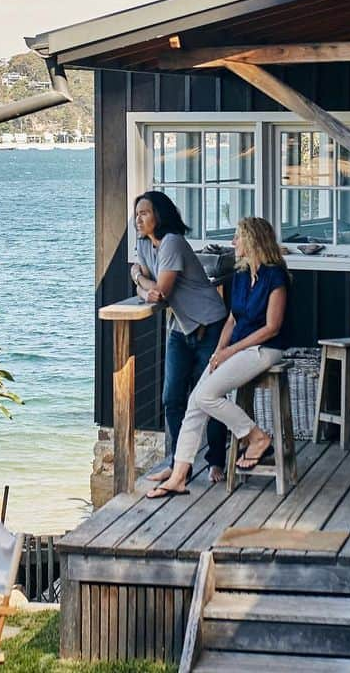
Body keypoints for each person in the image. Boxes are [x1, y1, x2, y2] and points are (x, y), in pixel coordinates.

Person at [147, 216, 289, 499]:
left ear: (252, 241)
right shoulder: (240, 275)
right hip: (237, 348)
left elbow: (271, 327)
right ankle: (178, 476)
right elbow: (232, 320)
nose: (233, 243)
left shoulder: (276, 277)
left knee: (206, 395)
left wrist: (229, 351)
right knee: (194, 402)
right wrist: (217, 352)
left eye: (238, 237)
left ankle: (256, 435)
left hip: (265, 349)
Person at [131, 190, 229, 484]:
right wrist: (142, 283)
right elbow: (149, 291)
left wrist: (138, 278)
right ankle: (178, 466)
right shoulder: (144, 244)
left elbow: (161, 291)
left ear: (159, 215)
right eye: (137, 214)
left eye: (144, 213)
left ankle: (216, 462)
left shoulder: (172, 242)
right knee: (172, 398)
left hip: (210, 326)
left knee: (208, 399)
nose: (138, 219)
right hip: (180, 329)